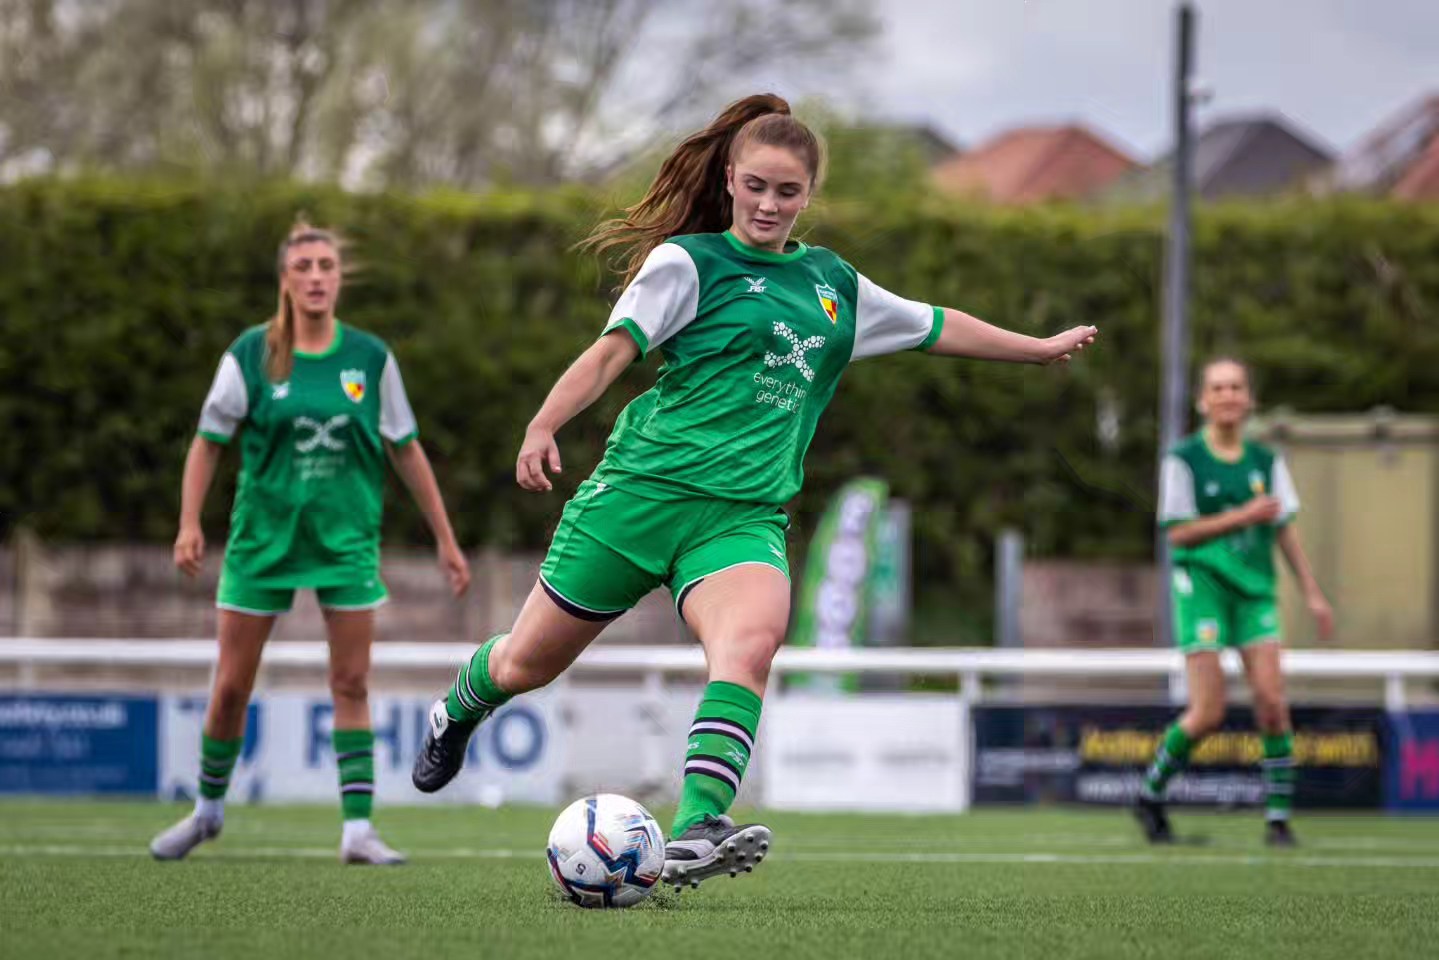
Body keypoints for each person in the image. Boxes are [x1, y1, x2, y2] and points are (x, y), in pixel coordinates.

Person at [410, 93, 1097, 889]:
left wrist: (1038, 348)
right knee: (526, 664)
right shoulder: (686, 264)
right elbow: (609, 355)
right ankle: (454, 711)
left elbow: (935, 323)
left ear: (809, 195)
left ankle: (699, 820)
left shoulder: (832, 285)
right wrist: (542, 425)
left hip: (738, 518)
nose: (770, 203)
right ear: (730, 180)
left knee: (750, 643)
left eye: (788, 191)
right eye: (757, 186)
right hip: (635, 499)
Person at [150, 222, 470, 865]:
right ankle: (207, 812)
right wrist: (189, 522)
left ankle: (358, 830)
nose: (317, 276)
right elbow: (208, 442)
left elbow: (405, 448)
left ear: (338, 277)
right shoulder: (250, 355)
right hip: (261, 542)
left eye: (327, 264)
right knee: (231, 687)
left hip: (345, 542)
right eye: (304, 266)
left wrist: (445, 537)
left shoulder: (370, 358)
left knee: (350, 682)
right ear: (286, 280)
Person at [1135, 357, 1333, 847]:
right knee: (1207, 713)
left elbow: (1282, 528)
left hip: (1255, 591)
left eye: (1236, 387)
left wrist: (1311, 590)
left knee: (1270, 700)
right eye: (1218, 387)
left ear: (1249, 400)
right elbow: (1179, 535)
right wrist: (1242, 515)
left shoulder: (1266, 463)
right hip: (1201, 587)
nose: (1227, 395)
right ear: (1204, 401)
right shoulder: (1183, 460)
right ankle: (1149, 794)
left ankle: (1278, 821)